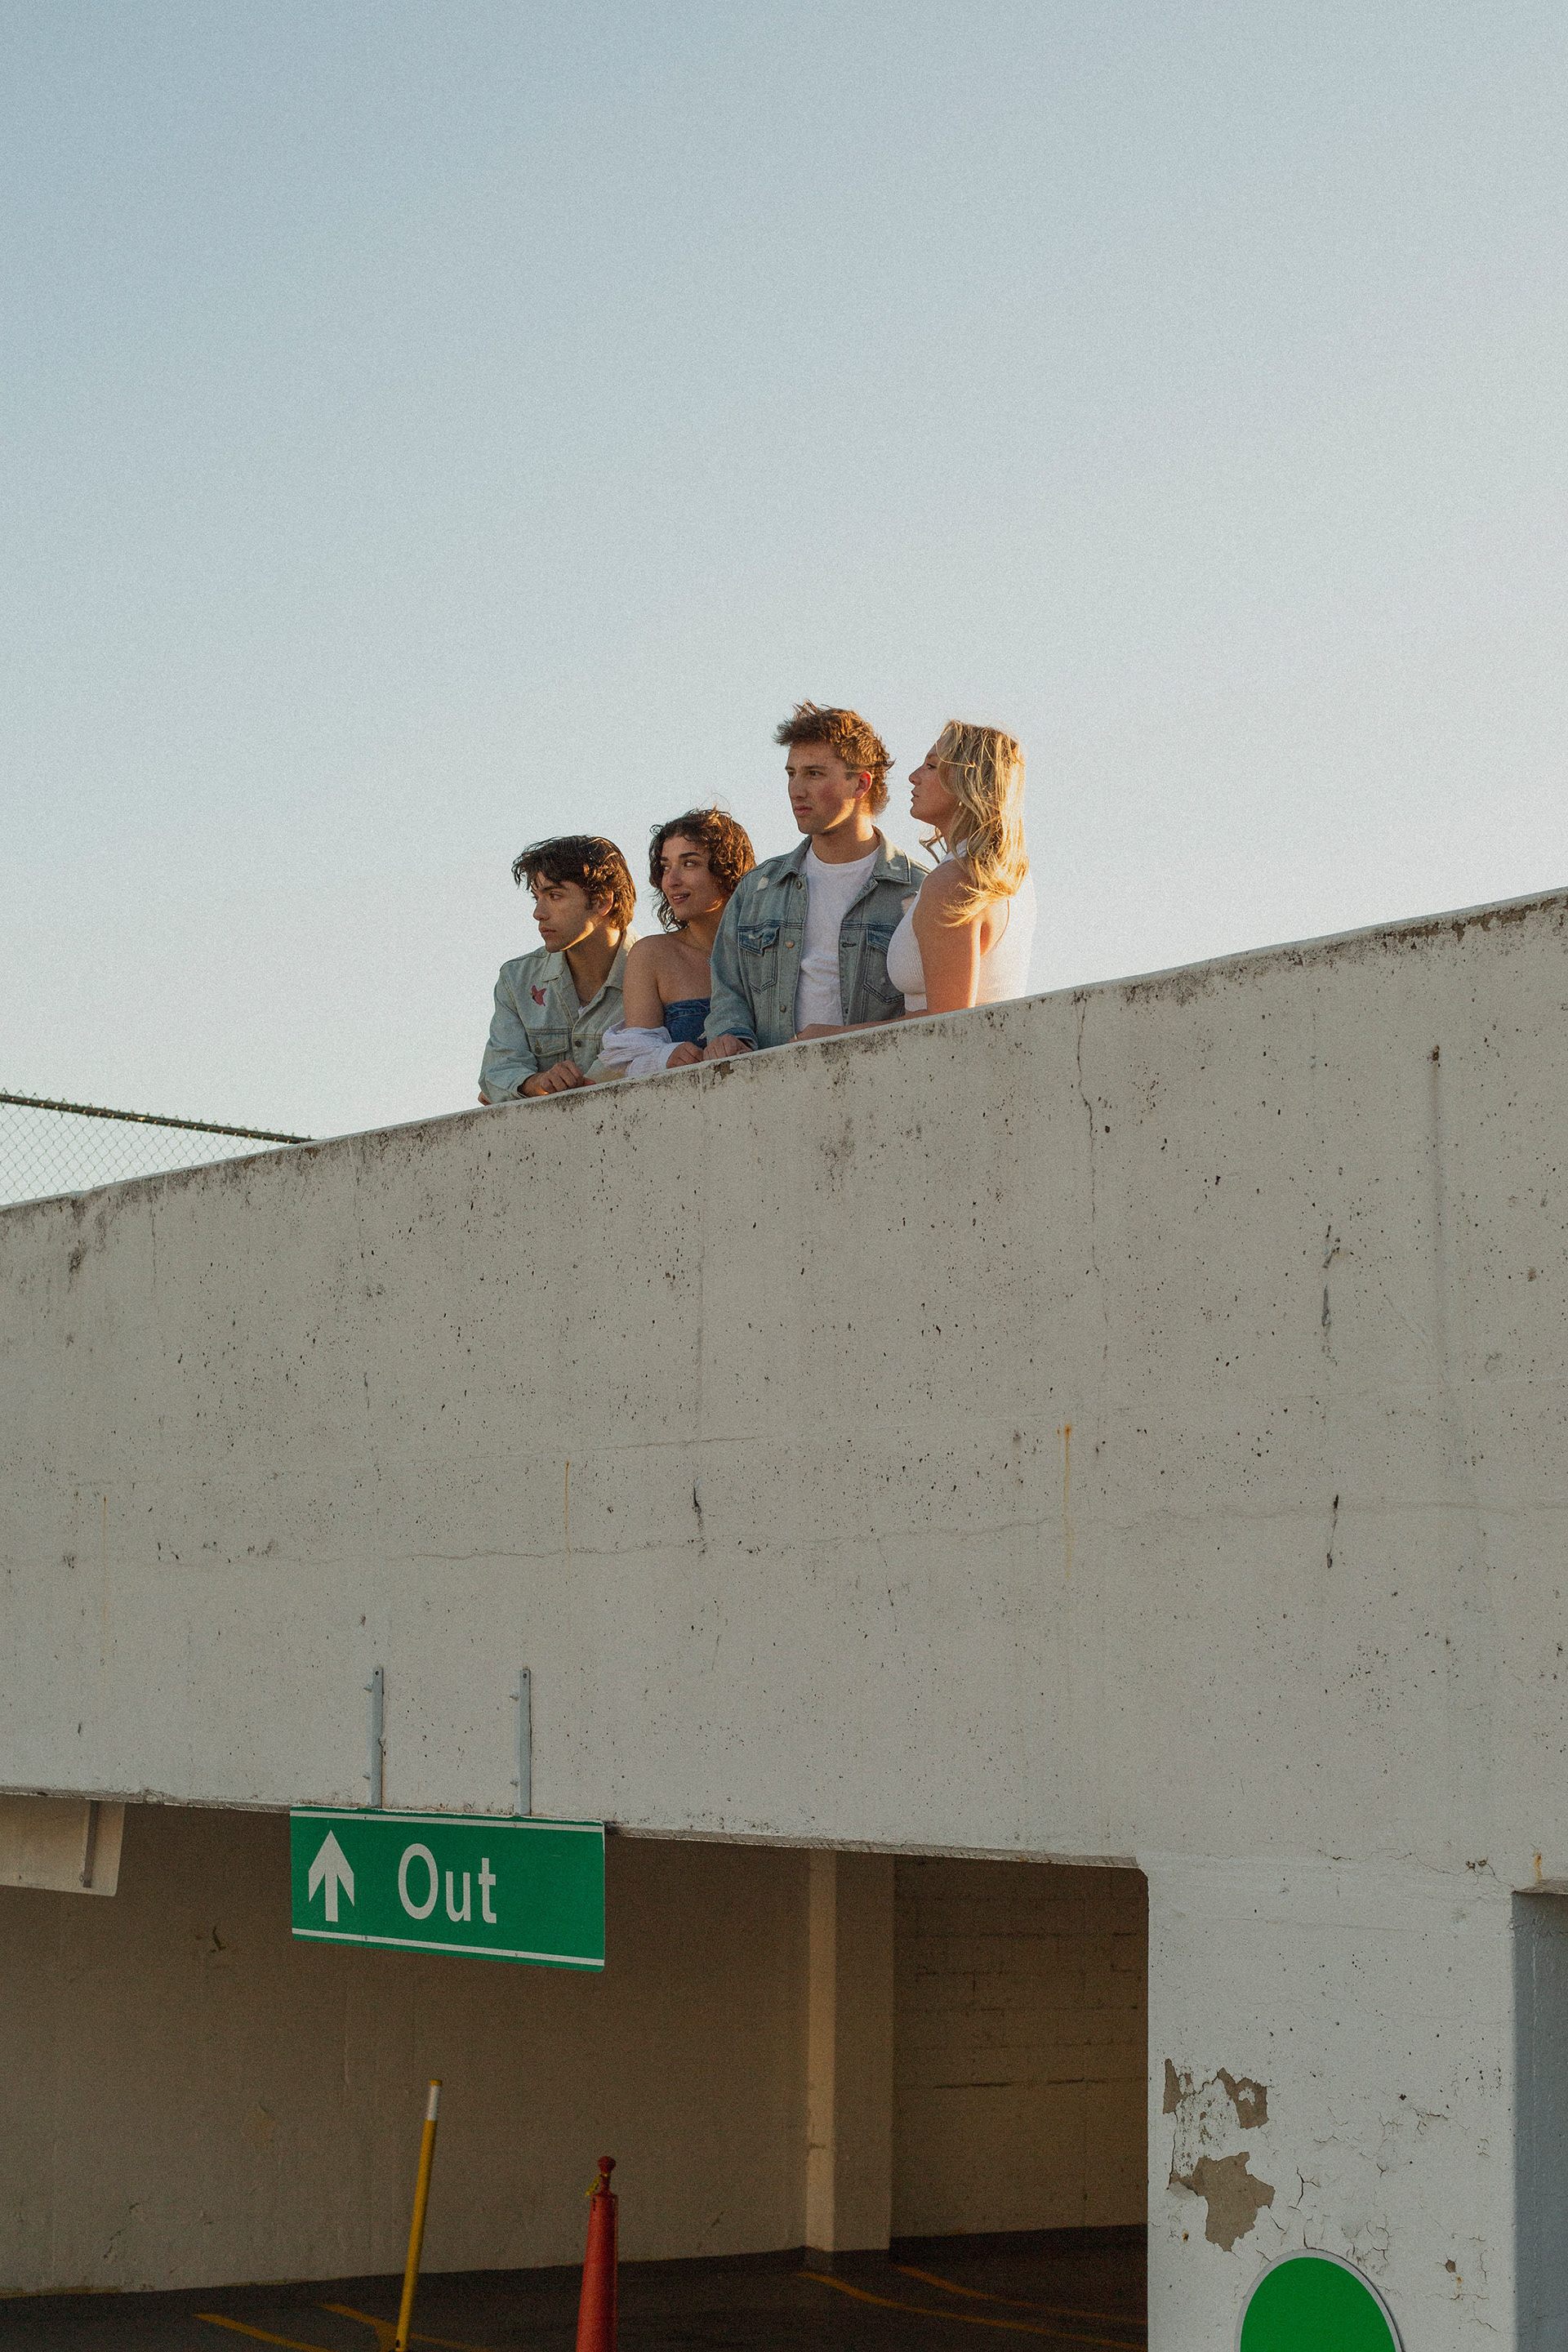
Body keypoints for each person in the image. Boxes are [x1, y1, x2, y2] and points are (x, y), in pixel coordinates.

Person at [703, 703, 926, 1060]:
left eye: (814, 774)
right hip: (771, 1082)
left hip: (878, 1080)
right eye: (792, 774)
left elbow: (930, 1011)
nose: (796, 789)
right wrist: (731, 1036)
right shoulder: (759, 889)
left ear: (861, 783)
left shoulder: (916, 891)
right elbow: (728, 989)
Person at [886, 721, 1036, 1016]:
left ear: (969, 781)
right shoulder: (1008, 878)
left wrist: (832, 1035)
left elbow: (948, 1024)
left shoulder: (953, 884)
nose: (914, 777)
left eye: (931, 766)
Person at [595, 808, 756, 1080]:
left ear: (727, 870)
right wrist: (665, 1057)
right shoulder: (652, 955)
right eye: (666, 867)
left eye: (689, 864)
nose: (671, 881)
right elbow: (633, 1060)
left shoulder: (767, 948)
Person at [478, 835, 637, 1102]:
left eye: (554, 896)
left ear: (602, 902)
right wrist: (536, 1083)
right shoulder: (517, 979)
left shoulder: (659, 969)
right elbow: (497, 1072)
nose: (538, 913)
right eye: (536, 898)